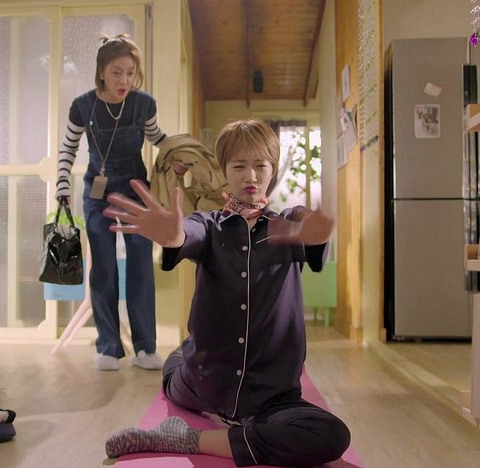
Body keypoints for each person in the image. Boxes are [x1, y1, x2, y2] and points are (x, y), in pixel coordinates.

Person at [101, 119, 351, 466]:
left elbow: (303, 220)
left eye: (260, 165)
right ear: (224, 170)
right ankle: (182, 357)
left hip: (270, 397)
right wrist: (173, 236)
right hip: (201, 382)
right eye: (239, 166)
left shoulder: (288, 226)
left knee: (332, 436)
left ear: (272, 169)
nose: (251, 176)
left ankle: (186, 439)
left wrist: (315, 232)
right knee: (175, 367)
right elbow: (188, 233)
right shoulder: (208, 224)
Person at [56, 33, 166, 371]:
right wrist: (62, 185)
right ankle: (107, 348)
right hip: (97, 192)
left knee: (141, 266)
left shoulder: (144, 104)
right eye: (117, 72)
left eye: (130, 73)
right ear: (101, 72)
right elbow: (68, 149)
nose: (124, 81)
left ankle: (146, 348)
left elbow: (158, 138)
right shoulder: (82, 106)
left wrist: (180, 154)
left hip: (137, 191)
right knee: (103, 268)